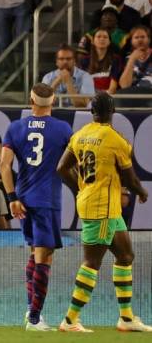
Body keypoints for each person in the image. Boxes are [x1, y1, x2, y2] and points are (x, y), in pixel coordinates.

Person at [56, 92, 152, 333]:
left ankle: (127, 319)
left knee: (126, 256)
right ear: (113, 111)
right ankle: (70, 320)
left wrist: (79, 187)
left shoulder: (80, 135)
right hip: (102, 208)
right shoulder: (115, 139)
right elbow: (129, 178)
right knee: (92, 262)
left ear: (91, 111)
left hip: (104, 206)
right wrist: (141, 190)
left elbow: (61, 168)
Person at [0, 83, 73, 331]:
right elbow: (72, 165)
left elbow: (4, 166)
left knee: (34, 253)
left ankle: (31, 311)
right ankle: (34, 317)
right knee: (44, 256)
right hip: (47, 199)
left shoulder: (15, 127)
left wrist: (11, 198)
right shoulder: (63, 129)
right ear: (52, 102)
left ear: (30, 99)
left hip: (23, 198)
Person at [81, 28, 121, 93]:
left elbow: (113, 88)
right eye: (98, 36)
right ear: (92, 41)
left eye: (105, 37)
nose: (102, 39)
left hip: (108, 98)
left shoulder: (115, 59)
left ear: (109, 42)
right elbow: (84, 85)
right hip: (89, 97)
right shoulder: (85, 60)